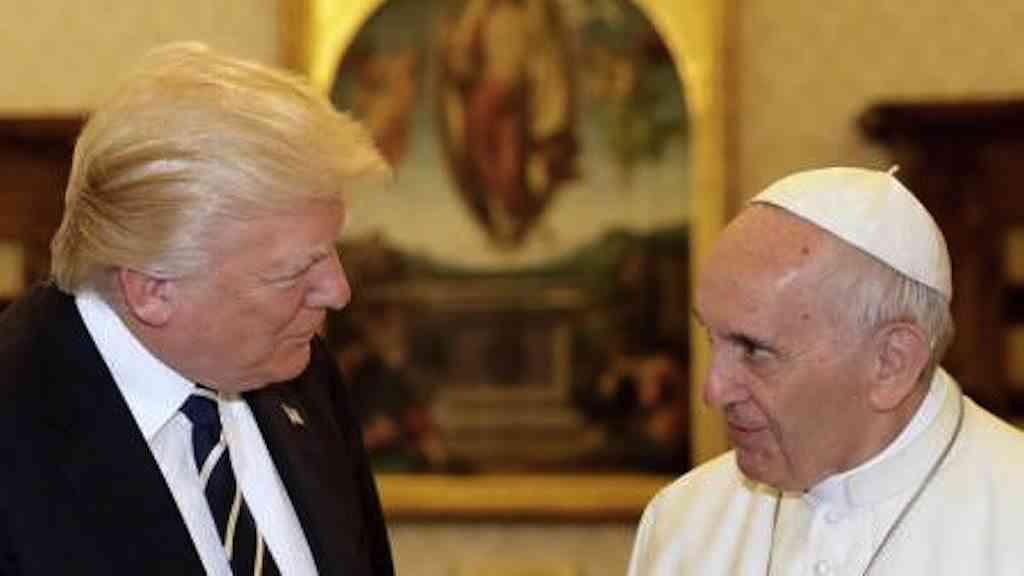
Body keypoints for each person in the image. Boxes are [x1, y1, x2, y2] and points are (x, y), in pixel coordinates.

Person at [0, 43, 394, 575]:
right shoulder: (17, 432)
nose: (337, 291)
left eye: (330, 252)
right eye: (294, 271)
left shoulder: (301, 375)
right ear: (152, 290)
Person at [628, 167, 1024, 575]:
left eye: (754, 350)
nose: (713, 391)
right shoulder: (683, 523)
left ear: (891, 362)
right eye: (712, 338)